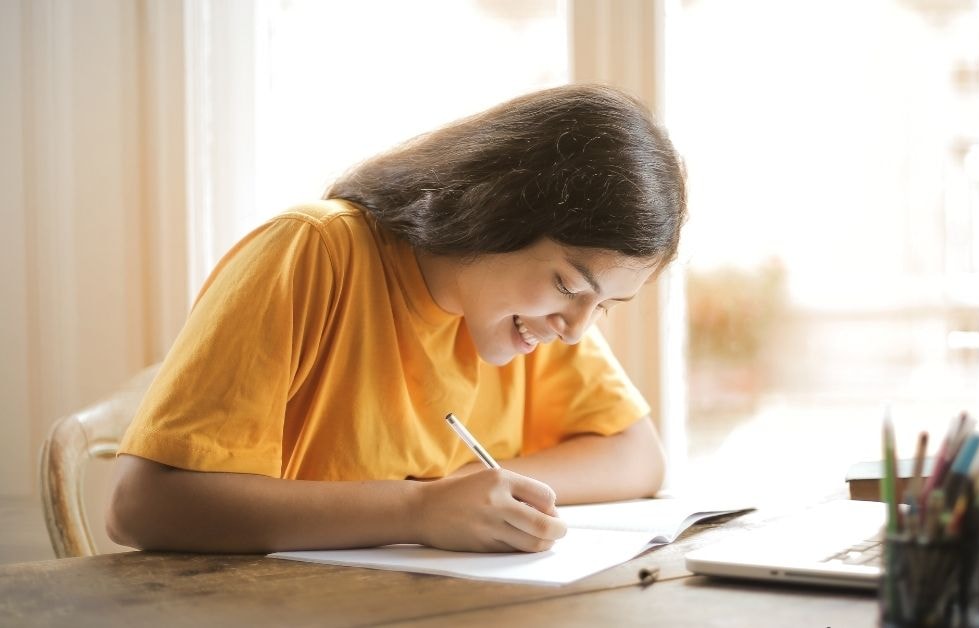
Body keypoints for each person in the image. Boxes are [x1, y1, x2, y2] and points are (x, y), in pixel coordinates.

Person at [106, 84, 687, 555]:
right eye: (567, 285)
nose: (578, 329)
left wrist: (478, 490)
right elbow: (141, 506)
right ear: (496, 213)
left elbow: (637, 455)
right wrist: (419, 510)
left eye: (604, 305)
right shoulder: (315, 252)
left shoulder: (534, 317)